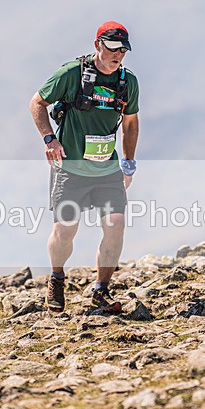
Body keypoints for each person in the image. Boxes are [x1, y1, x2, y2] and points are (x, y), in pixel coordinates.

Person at [29, 21, 140, 314]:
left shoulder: (128, 82)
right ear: (97, 46)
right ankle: (57, 277)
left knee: (116, 225)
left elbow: (130, 122)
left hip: (107, 169)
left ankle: (101, 290)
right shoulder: (71, 74)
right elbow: (37, 102)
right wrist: (49, 138)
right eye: (112, 48)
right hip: (71, 169)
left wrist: (128, 162)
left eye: (123, 50)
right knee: (65, 230)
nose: (117, 55)